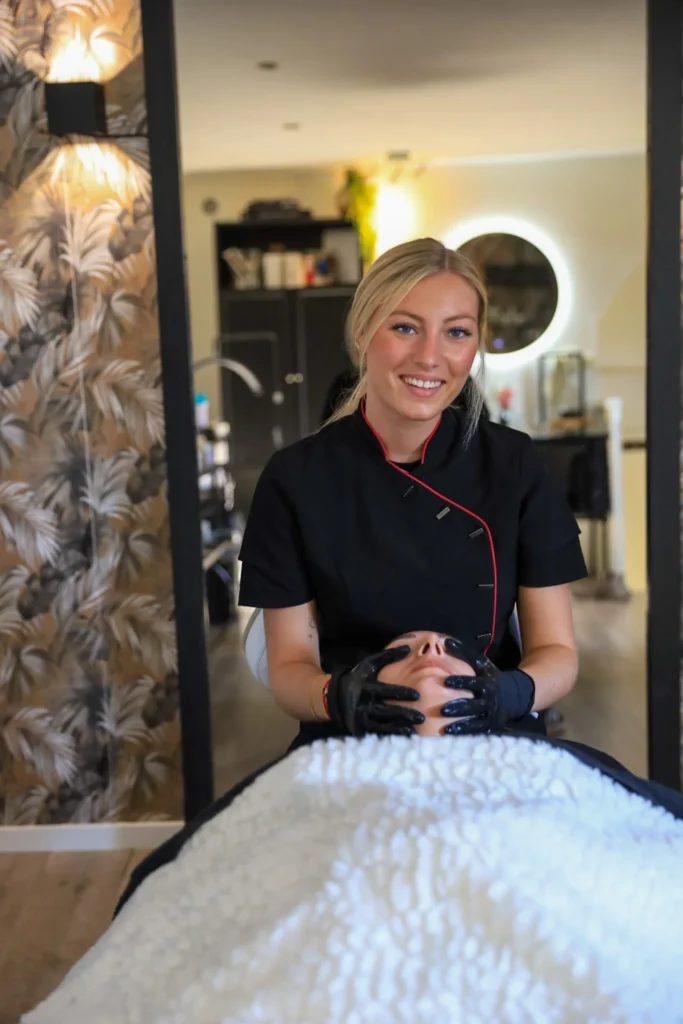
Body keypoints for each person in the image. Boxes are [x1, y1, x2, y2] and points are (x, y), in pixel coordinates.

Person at [238, 237, 587, 749]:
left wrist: (506, 694)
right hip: (348, 738)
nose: (429, 357)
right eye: (405, 328)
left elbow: (557, 652)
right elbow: (289, 668)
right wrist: (340, 698)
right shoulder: (295, 479)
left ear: (474, 345)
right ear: (363, 332)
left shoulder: (515, 465)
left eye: (456, 333)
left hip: (496, 733)